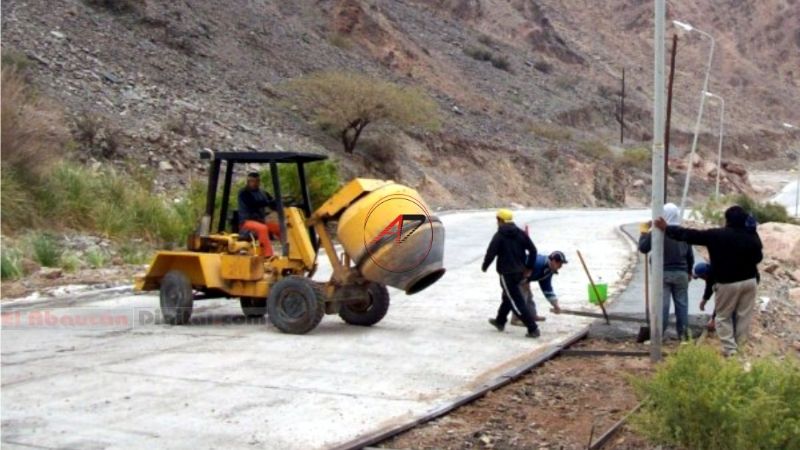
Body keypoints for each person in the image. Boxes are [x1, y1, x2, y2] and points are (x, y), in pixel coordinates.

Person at [654, 205, 763, 356]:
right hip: (750, 281)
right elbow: (758, 257)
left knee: (723, 317)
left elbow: (691, 235)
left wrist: (667, 228)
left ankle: (731, 351)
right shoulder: (751, 235)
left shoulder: (716, 235)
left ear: (727, 220)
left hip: (728, 283)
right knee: (744, 316)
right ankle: (741, 349)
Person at [482, 209, 540, 338]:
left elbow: (491, 253)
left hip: (506, 273)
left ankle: (533, 328)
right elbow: (533, 250)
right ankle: (500, 321)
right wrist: (529, 267)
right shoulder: (520, 233)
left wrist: (485, 266)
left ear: (500, 220)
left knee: (515, 301)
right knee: (508, 297)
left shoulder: (499, 235)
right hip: (520, 272)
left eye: (497, 220)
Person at [639, 203, 694, 340]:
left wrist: (644, 232)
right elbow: (690, 255)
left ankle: (658, 336)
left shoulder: (658, 232)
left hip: (662, 274)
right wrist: (689, 272)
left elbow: (643, 248)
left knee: (662, 306)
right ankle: (684, 337)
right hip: (681, 274)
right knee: (682, 305)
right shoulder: (682, 232)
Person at [510, 251, 567, 327]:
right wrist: (524, 280)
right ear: (554, 261)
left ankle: (532, 315)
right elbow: (520, 266)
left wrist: (555, 304)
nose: (561, 266)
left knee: (529, 296)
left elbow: (547, 288)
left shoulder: (549, 270)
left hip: (524, 277)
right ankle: (516, 319)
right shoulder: (538, 263)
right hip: (513, 273)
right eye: (560, 264)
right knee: (522, 295)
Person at [238, 172, 281, 257]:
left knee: (279, 228)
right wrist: (268, 202)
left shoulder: (263, 192)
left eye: (257, 181)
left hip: (260, 221)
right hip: (247, 222)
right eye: (252, 181)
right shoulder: (244, 193)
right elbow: (253, 204)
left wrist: (279, 204)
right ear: (248, 182)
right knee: (262, 229)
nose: (255, 183)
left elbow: (272, 203)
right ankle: (268, 255)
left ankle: (290, 251)